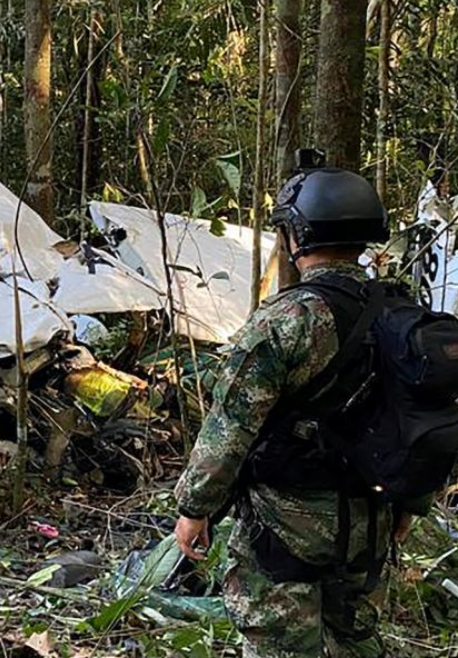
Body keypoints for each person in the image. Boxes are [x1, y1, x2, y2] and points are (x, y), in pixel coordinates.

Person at [172, 165, 417, 658]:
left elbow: (230, 427)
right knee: (356, 641)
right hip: (371, 522)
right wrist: (412, 503)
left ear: (298, 235)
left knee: (280, 646)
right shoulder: (402, 314)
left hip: (285, 529)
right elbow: (426, 415)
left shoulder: (289, 319)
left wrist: (194, 509)